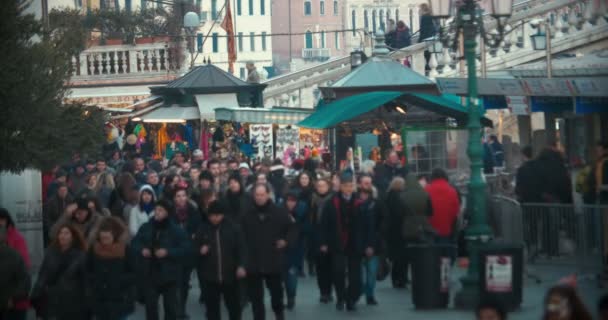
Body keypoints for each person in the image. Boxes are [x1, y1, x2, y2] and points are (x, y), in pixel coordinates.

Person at [320, 171, 374, 311]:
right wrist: (324, 242)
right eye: (345, 186)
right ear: (340, 186)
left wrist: (369, 244)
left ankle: (351, 298)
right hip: (337, 243)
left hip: (355, 244)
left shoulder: (360, 203)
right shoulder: (332, 202)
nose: (348, 189)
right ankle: (341, 297)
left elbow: (368, 226)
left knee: (355, 276)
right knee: (338, 272)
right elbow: (324, 224)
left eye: (351, 186)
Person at [241, 183, 296, 320]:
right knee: (256, 297)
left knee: (276, 294)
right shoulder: (246, 213)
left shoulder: (279, 211)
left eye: (262, 195)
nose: (259, 198)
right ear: (253, 196)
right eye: (257, 195)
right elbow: (240, 236)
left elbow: (292, 229)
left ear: (268, 195)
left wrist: (286, 241)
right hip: (253, 261)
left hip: (273, 259)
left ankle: (279, 314)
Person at [132, 199, 191, 320]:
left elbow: (186, 249)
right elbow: (135, 243)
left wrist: (168, 252)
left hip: (170, 275)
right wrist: (142, 250)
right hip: (150, 274)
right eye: (156, 209)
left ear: (167, 213)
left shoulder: (176, 230)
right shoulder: (146, 227)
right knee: (151, 308)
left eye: (161, 210)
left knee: (171, 309)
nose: (157, 213)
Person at [194, 200, 247, 320]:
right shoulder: (203, 229)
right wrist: (200, 250)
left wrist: (241, 265)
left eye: (217, 215)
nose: (214, 218)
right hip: (209, 277)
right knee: (212, 310)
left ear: (223, 214)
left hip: (230, 276)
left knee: (234, 307)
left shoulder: (233, 228)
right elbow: (194, 248)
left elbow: (242, 248)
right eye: (212, 215)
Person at [31, 224, 88, 320]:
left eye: (66, 233)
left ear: (73, 237)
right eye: (60, 233)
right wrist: (35, 296)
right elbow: (42, 276)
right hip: (51, 301)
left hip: (73, 304)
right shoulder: (50, 253)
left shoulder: (81, 256)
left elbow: (86, 281)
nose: (63, 236)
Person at [86, 217, 135, 320]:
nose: (104, 242)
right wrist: (95, 280)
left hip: (120, 297)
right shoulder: (94, 250)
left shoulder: (125, 250)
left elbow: (134, 272)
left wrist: (118, 280)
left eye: (107, 238)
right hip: (99, 297)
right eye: (102, 238)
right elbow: (87, 270)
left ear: (114, 236)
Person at [172, 187, 203, 319]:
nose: (181, 198)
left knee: (184, 282)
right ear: (174, 198)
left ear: (187, 197)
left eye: (183, 195)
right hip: (174, 253)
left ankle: (181, 309)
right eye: (178, 196)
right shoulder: (170, 213)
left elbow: (198, 230)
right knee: (176, 283)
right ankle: (176, 311)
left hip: (189, 253)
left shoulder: (194, 212)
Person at [310, 175, 334, 303]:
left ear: (328, 187)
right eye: (319, 186)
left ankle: (329, 290)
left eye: (323, 186)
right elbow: (311, 220)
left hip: (331, 238)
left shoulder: (332, 200)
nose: (321, 188)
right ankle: (323, 292)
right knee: (320, 267)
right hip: (316, 237)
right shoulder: (313, 200)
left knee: (330, 267)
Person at [0, 223, 30, 320]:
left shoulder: (13, 256)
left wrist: (13, 298)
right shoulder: (14, 255)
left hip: (11, 309)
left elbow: (25, 281)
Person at [358, 186, 382, 305]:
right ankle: (368, 294)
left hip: (370, 243)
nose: (363, 195)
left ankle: (368, 294)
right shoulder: (357, 206)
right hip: (368, 244)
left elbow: (377, 227)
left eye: (365, 193)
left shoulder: (375, 206)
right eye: (362, 193)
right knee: (368, 272)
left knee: (369, 272)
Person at [283, 191, 306, 310]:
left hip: (296, 248)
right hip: (282, 250)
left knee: (292, 276)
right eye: (288, 200)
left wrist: (295, 222)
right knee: (282, 277)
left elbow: (306, 229)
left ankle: (291, 297)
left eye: (293, 201)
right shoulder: (280, 212)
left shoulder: (302, 212)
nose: (290, 203)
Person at [385, 177, 407, 288]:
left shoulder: (389, 195)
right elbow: (399, 213)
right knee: (401, 257)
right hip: (398, 230)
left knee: (395, 257)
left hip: (391, 231)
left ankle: (396, 279)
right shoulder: (397, 197)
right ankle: (400, 279)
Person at [418, 3, 437, 75]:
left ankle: (428, 66)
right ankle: (429, 65)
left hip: (426, 38)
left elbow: (423, 30)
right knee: (430, 53)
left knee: (426, 53)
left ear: (423, 9)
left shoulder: (424, 17)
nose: (419, 11)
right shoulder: (431, 16)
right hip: (431, 37)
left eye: (420, 9)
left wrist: (419, 40)